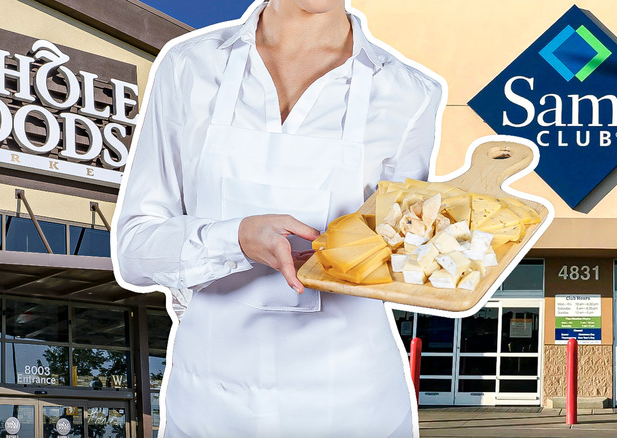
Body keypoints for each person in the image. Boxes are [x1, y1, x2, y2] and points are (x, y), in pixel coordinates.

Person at [112, 0, 445, 436]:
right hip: (210, 409)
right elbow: (135, 250)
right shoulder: (189, 67)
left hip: (354, 407)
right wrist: (237, 238)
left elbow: (398, 252)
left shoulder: (410, 94)